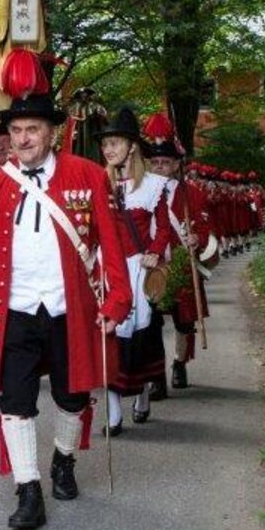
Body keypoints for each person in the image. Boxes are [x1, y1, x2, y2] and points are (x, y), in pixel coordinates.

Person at [0, 49, 131, 530]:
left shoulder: (88, 176)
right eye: (15, 131)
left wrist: (116, 300)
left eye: (32, 130)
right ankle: (28, 489)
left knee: (72, 394)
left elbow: (112, 245)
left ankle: (63, 460)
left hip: (69, 308)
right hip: (14, 308)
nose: (22, 139)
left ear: (52, 132)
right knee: (14, 400)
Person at [95, 107, 173, 429]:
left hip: (138, 269)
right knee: (108, 333)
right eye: (106, 144)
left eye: (115, 143)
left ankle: (141, 393)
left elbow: (165, 228)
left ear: (132, 146)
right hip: (107, 269)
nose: (109, 150)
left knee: (139, 336)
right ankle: (113, 411)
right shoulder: (99, 183)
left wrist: (154, 253)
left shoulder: (154, 185)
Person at [143, 117, 216, 389]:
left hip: (182, 264)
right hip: (152, 265)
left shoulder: (193, 194)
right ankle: (155, 376)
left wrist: (199, 238)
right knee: (149, 324)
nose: (160, 167)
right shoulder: (141, 191)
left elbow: (208, 228)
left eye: (165, 163)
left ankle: (179, 362)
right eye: (155, 163)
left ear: (176, 165)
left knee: (184, 322)